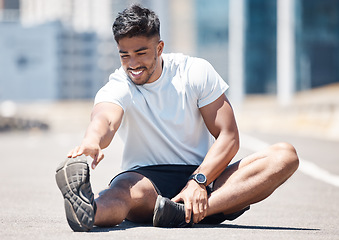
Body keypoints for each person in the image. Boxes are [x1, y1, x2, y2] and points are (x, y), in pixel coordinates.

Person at [55, 4, 299, 232]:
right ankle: (90, 210)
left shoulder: (194, 72)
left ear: (159, 48)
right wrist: (92, 140)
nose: (133, 64)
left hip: (207, 178)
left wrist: (199, 182)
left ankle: (181, 213)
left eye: (141, 53)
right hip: (147, 181)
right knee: (121, 192)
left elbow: (228, 136)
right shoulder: (118, 85)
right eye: (124, 55)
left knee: (284, 155)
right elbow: (105, 118)